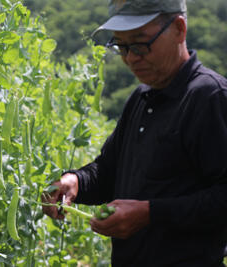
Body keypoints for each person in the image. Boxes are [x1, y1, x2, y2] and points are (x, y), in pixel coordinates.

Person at [41, 0, 227, 266]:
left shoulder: (210, 97)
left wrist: (150, 214)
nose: (130, 58)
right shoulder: (142, 98)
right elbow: (108, 172)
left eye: (140, 44)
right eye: (121, 46)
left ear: (179, 29)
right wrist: (75, 182)